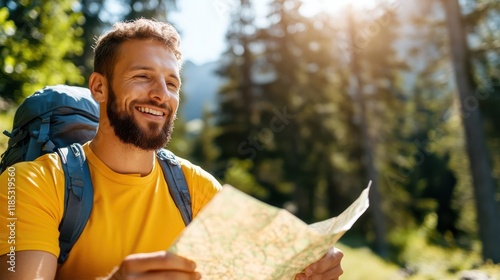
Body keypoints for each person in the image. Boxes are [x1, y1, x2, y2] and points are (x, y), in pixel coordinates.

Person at [0, 18, 344, 279]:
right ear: (99, 87)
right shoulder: (29, 184)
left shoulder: (195, 189)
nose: (162, 94)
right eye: (142, 76)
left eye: (172, 82)